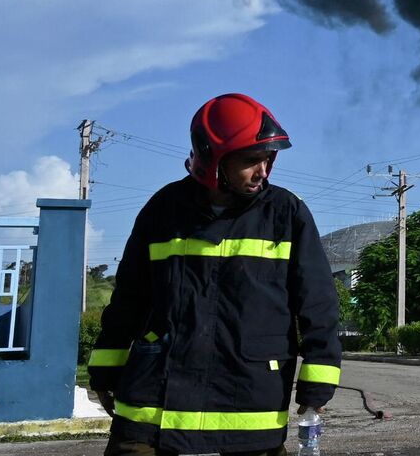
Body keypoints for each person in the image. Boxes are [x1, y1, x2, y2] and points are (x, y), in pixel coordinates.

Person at [87, 93, 342, 456]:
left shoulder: (286, 213)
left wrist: (318, 382)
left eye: (269, 159)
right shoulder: (164, 210)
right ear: (213, 160)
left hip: (248, 404)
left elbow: (318, 304)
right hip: (153, 402)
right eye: (252, 161)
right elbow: (128, 298)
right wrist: (105, 370)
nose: (264, 171)